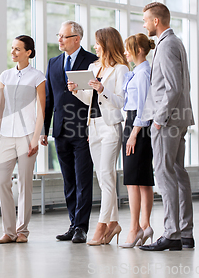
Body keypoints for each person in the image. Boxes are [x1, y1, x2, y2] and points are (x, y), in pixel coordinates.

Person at [139, 2, 195, 251]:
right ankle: (185, 232)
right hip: (178, 118)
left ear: (156, 22)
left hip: (168, 120)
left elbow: (173, 87)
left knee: (165, 175)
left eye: (145, 20)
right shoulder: (174, 42)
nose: (144, 25)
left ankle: (172, 233)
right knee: (178, 174)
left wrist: (159, 119)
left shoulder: (167, 44)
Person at [68, 27, 129, 246]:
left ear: (107, 43)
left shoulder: (121, 70)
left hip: (110, 126)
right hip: (92, 125)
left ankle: (102, 225)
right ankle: (113, 223)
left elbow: (122, 102)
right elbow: (89, 100)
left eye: (97, 43)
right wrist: (77, 90)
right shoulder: (93, 66)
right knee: (103, 179)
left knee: (106, 174)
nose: (95, 46)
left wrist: (102, 88)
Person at [41, 21, 98, 244]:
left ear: (77, 38)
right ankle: (73, 223)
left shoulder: (92, 61)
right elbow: (48, 98)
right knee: (69, 181)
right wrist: (45, 129)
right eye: (59, 36)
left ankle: (82, 227)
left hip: (83, 129)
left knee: (83, 179)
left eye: (64, 36)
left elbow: (95, 98)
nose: (60, 40)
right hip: (61, 129)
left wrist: (92, 125)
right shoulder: (53, 63)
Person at [0, 35, 46, 244]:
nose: (13, 52)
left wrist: (35, 137)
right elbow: (1, 108)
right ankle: (9, 231)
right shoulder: (5, 76)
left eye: (17, 49)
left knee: (25, 183)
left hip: (26, 136)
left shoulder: (37, 76)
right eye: (12, 48)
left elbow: (41, 108)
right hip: (6, 135)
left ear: (28, 53)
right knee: (2, 181)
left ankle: (22, 230)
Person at [119, 33, 155, 248]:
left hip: (138, 125)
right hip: (132, 123)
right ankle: (144, 225)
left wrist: (133, 133)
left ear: (139, 51)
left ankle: (135, 228)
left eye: (128, 49)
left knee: (134, 179)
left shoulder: (142, 75)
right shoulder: (136, 72)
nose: (125, 53)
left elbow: (144, 107)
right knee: (140, 179)